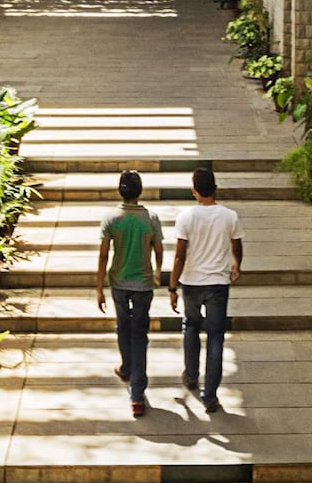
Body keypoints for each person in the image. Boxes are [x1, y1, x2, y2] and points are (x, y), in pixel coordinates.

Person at [169, 167, 242, 414]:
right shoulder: (229, 216)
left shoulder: (186, 217)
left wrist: (172, 286)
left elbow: (179, 255)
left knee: (190, 326)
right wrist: (236, 264)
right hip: (218, 284)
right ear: (215, 189)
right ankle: (210, 396)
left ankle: (191, 376)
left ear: (194, 191)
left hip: (191, 282)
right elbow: (237, 245)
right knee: (215, 337)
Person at [96, 170, 163, 417]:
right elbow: (159, 249)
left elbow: (104, 255)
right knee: (139, 335)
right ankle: (137, 393)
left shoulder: (111, 218)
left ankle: (126, 368)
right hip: (143, 284)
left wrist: (99, 287)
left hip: (119, 283)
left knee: (123, 326)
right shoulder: (150, 218)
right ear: (140, 192)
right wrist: (157, 272)